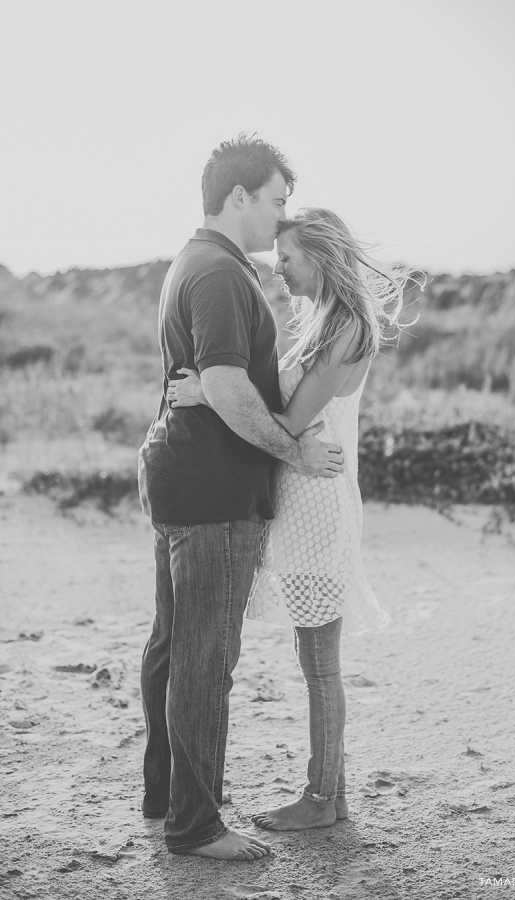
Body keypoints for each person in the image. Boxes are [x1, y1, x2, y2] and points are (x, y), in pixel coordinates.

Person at [168, 207, 417, 832]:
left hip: (319, 504)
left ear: (322, 257)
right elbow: (277, 402)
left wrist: (210, 394)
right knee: (315, 659)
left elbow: (290, 422)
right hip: (303, 499)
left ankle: (323, 799)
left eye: (289, 258)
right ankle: (326, 796)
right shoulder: (319, 321)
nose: (280, 269)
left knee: (320, 663)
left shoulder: (347, 330)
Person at [138, 137, 344, 861]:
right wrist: (292, 451)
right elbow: (225, 385)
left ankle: (167, 796)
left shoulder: (195, 262)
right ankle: (195, 827)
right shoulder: (222, 274)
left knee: (172, 646)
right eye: (277, 200)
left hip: (181, 476)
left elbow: (216, 382)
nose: (281, 214)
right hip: (213, 491)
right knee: (202, 657)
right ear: (240, 198)